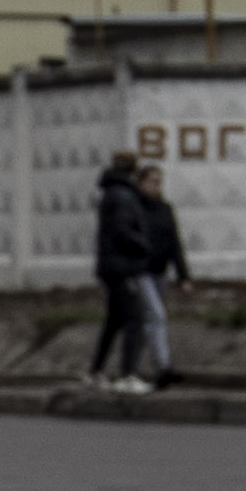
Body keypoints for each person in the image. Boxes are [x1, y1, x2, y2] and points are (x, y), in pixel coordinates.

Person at [126, 158, 192, 387]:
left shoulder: (165, 209)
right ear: (141, 183)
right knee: (156, 315)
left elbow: (174, 243)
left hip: (159, 272)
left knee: (149, 320)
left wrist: (183, 276)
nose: (157, 186)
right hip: (140, 271)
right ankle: (162, 366)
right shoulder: (134, 208)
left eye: (159, 182)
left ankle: (134, 367)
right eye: (152, 181)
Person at [86, 155, 148, 387]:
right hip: (122, 266)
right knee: (134, 318)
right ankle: (127, 375)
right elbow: (123, 230)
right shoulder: (123, 196)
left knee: (114, 319)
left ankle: (96, 370)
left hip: (111, 265)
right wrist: (143, 244)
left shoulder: (110, 192)